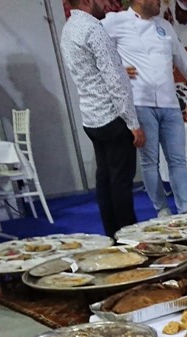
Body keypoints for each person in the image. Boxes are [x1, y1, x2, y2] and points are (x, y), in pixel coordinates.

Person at [103, 0, 187, 217]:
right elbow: (95, 51)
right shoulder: (114, 21)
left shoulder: (165, 26)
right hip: (140, 102)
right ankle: (161, 209)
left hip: (169, 103)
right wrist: (116, 69)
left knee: (178, 159)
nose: (160, 2)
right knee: (150, 161)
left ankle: (186, 209)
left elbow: (183, 59)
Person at [60, 0, 144, 238]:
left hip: (90, 116)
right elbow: (115, 81)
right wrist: (133, 122)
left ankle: (112, 234)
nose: (106, 4)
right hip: (112, 116)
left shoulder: (69, 28)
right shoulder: (93, 29)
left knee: (105, 179)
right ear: (87, 2)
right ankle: (129, 237)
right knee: (121, 181)